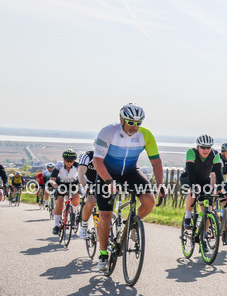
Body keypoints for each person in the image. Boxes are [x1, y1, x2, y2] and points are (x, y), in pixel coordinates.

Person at [91, 103, 165, 271]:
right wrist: (109, 182)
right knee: (105, 215)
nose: (135, 127)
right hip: (106, 173)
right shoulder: (108, 132)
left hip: (130, 172)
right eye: (131, 122)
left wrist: (160, 185)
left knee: (149, 201)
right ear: (121, 120)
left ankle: (132, 224)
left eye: (138, 123)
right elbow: (97, 161)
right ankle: (103, 253)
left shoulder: (145, 135)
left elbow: (156, 162)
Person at [181, 135, 223, 228]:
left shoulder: (215, 154)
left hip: (204, 180)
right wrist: (193, 187)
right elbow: (190, 172)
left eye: (208, 148)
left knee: (208, 208)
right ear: (198, 147)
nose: (206, 150)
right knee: (192, 192)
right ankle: (187, 217)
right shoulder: (191, 152)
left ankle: (203, 233)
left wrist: (221, 188)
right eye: (203, 147)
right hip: (189, 178)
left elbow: (218, 174)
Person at [48, 150, 84, 235]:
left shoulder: (77, 165)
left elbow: (83, 176)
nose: (69, 163)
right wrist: (57, 188)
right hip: (60, 184)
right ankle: (56, 225)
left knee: (76, 197)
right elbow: (52, 180)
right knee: (59, 201)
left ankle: (73, 213)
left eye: (71, 161)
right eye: (67, 161)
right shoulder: (59, 165)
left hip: (73, 184)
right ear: (64, 160)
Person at [76, 150, 99, 240]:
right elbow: (81, 173)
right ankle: (84, 225)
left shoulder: (110, 155)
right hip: (88, 182)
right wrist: (84, 186)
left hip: (102, 183)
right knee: (91, 200)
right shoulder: (88, 156)